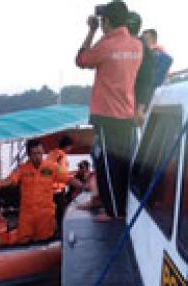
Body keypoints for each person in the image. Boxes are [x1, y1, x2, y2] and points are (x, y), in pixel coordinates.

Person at [75, 0, 143, 221]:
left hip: (107, 115)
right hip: (126, 114)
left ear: (107, 22)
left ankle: (114, 212)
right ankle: (117, 206)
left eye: (103, 21)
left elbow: (81, 60)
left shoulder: (106, 45)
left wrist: (91, 30)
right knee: (122, 164)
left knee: (107, 165)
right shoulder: (136, 45)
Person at [0, 138, 69, 242]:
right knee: (23, 240)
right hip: (27, 216)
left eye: (40, 153)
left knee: (45, 240)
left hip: (45, 215)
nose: (38, 156)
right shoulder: (22, 169)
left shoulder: (52, 167)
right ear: (29, 155)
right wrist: (0, 184)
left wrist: (84, 186)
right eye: (35, 153)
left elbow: (68, 178)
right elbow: (12, 179)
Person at [47, 135, 84, 236]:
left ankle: (53, 231)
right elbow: (61, 173)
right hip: (58, 189)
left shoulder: (52, 153)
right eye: (70, 147)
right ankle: (60, 233)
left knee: (52, 213)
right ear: (67, 146)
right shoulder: (61, 156)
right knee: (60, 213)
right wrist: (74, 181)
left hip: (50, 189)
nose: (70, 149)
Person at [126, 11, 155, 125]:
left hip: (132, 104)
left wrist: (140, 109)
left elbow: (146, 79)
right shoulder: (137, 45)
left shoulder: (141, 47)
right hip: (127, 103)